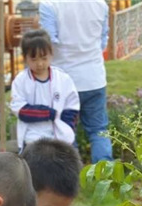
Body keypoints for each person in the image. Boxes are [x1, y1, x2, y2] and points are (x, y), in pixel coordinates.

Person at [39, 0, 114, 163]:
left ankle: (72, 173)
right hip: (94, 78)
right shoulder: (100, 4)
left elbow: (48, 44)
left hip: (63, 80)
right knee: (99, 130)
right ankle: (105, 173)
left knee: (64, 132)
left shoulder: (49, 5)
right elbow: (103, 42)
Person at [11, 29, 80, 153]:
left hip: (61, 139)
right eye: (34, 59)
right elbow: (20, 110)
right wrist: (47, 113)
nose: (40, 64)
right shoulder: (20, 81)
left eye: (43, 58)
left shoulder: (63, 78)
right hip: (32, 140)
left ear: (51, 54)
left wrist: (67, 128)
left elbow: (72, 107)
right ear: (25, 58)